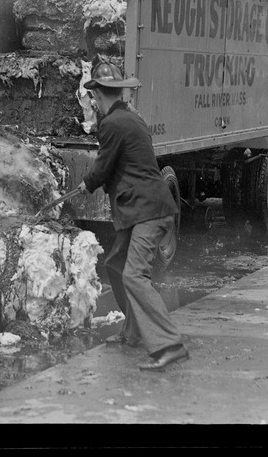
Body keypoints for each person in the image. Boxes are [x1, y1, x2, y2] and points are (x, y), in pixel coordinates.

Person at [74, 60, 187, 372]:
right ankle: (134, 331)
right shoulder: (132, 118)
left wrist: (88, 184)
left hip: (145, 210)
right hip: (146, 206)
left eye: (94, 96)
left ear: (100, 94)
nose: (93, 103)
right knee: (116, 264)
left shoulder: (111, 124)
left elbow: (104, 164)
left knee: (134, 276)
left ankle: (168, 344)